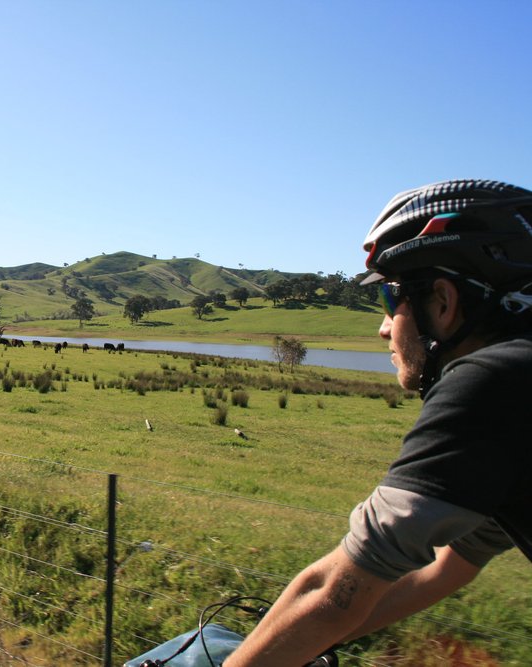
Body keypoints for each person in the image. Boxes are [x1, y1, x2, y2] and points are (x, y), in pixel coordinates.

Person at [224, 179, 532, 666]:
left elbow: (334, 589)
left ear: (443, 300)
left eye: (391, 301)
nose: (384, 327)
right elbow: (451, 566)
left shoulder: (493, 381)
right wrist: (305, 646)